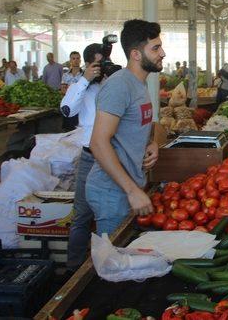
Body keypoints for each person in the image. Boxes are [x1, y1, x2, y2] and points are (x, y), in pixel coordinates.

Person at [85, 19, 163, 235]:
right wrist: (131, 191)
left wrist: (151, 143)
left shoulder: (139, 84)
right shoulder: (119, 85)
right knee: (114, 262)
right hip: (112, 190)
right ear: (136, 54)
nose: (162, 53)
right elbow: (98, 142)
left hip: (127, 186)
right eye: (155, 48)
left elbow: (132, 127)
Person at [61, 43, 105, 269]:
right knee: (82, 214)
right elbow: (67, 110)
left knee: (110, 213)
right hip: (90, 156)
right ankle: (73, 267)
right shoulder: (79, 86)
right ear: (88, 65)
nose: (100, 68)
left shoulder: (110, 84)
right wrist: (85, 80)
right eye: (96, 64)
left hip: (112, 156)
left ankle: (107, 262)